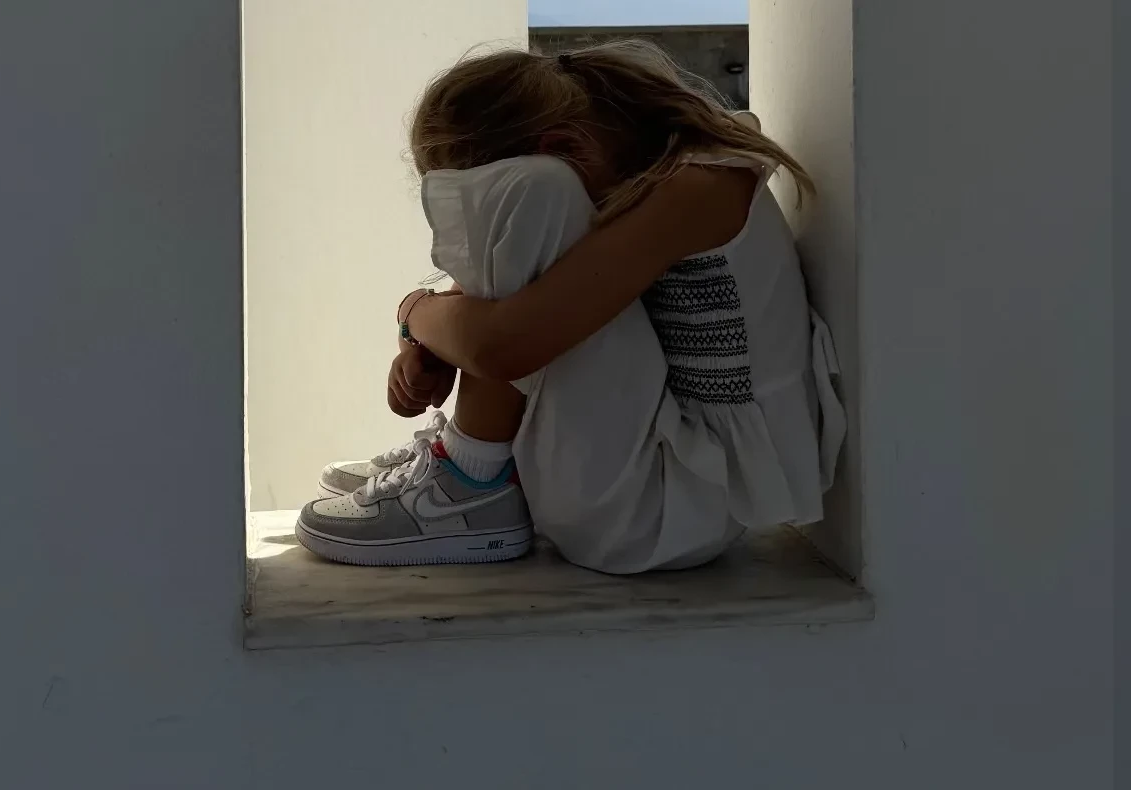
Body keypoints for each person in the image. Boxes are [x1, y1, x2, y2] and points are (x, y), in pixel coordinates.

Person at [295, 41, 845, 574]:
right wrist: (427, 337)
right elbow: (503, 312)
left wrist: (415, 309)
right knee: (530, 249)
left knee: (536, 193)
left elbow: (501, 346)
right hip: (664, 476)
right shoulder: (655, 164)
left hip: (661, 512)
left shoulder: (699, 188)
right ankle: (468, 458)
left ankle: (470, 478)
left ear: (561, 146)